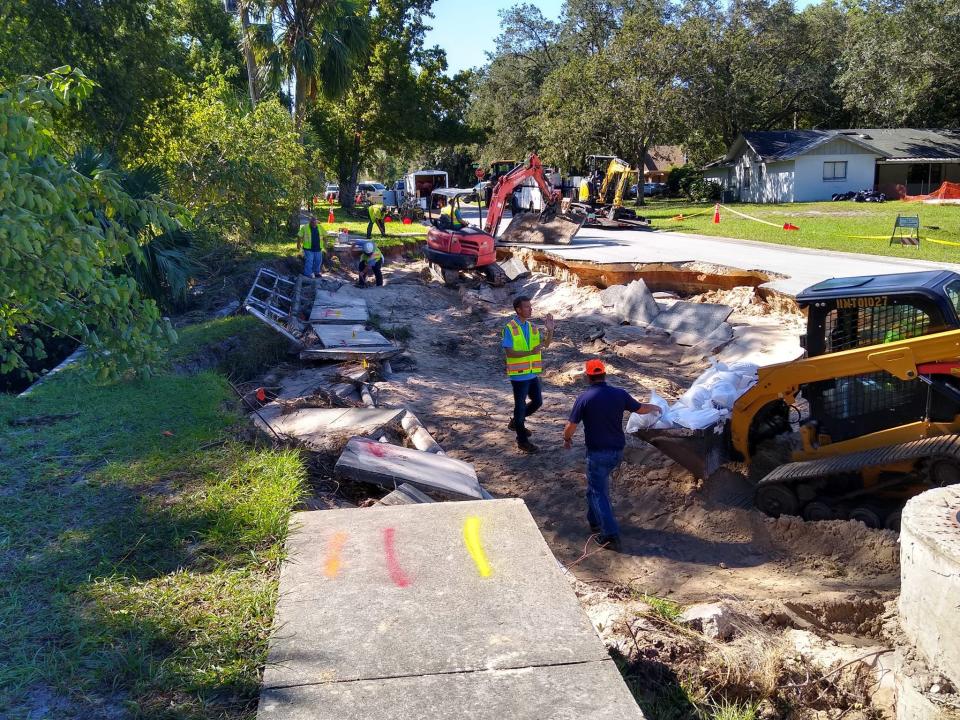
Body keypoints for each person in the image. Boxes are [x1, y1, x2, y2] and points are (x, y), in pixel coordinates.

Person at [562, 359, 661, 552]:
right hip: (617, 452)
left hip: (598, 453)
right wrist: (655, 407)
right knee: (594, 487)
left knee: (599, 493)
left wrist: (567, 439)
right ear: (604, 375)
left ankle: (610, 535)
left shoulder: (584, 398)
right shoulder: (619, 394)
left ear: (588, 377)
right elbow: (640, 408)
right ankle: (594, 520)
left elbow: (571, 427)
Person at [502, 295, 555, 453]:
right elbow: (509, 353)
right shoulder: (510, 328)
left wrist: (550, 331)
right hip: (518, 376)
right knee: (519, 407)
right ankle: (522, 441)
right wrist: (529, 352)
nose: (530, 309)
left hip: (532, 374)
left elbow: (545, 344)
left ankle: (516, 423)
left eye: (530, 306)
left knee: (537, 402)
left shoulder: (532, 327)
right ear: (518, 310)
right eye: (527, 307)